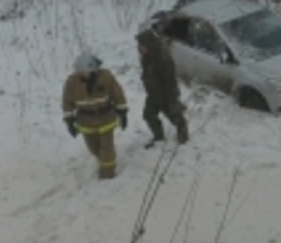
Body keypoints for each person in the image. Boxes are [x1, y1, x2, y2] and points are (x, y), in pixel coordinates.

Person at [62, 51, 128, 179]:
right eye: (83, 72)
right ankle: (103, 161)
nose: (86, 74)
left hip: (106, 118)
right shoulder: (71, 82)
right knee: (93, 148)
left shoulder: (106, 77)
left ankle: (108, 173)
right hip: (86, 122)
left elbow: (118, 94)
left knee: (107, 148)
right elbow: (67, 103)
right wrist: (69, 122)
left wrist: (123, 113)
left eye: (88, 71)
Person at [135, 22, 189, 148]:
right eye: (140, 46)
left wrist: (172, 101)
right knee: (148, 115)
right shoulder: (147, 56)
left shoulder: (163, 59)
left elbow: (170, 82)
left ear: (149, 43)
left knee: (175, 117)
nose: (140, 48)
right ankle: (159, 137)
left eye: (142, 45)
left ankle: (183, 135)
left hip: (165, 94)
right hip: (153, 94)